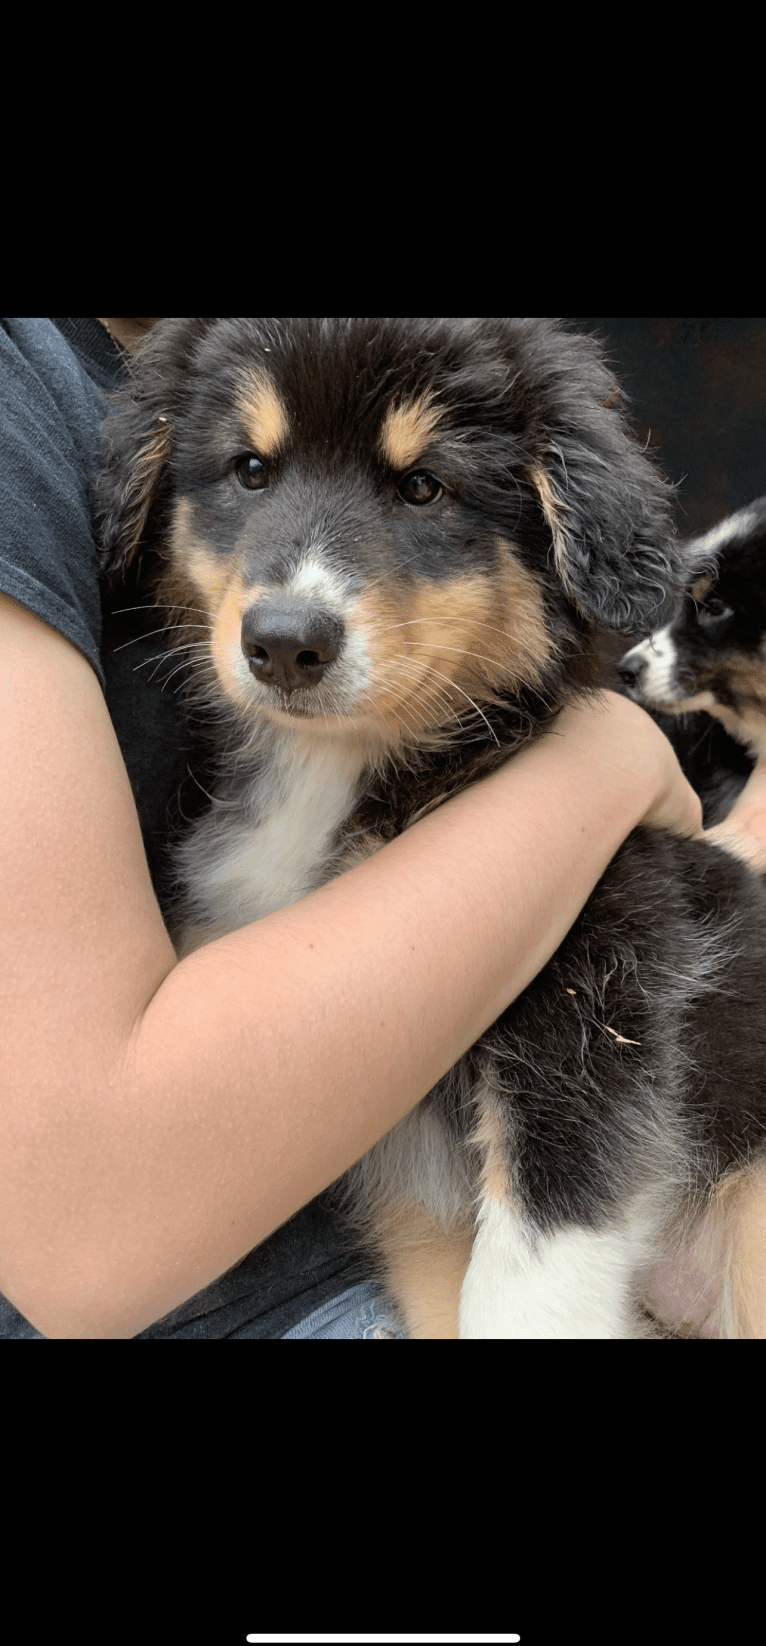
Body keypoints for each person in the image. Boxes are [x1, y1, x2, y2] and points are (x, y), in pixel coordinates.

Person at [1, 318, 765, 1341]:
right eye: (249, 469)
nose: (293, 596)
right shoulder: (39, 385)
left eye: (420, 489)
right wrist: (606, 765)